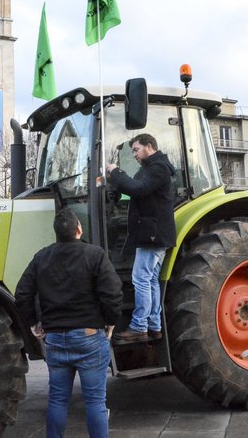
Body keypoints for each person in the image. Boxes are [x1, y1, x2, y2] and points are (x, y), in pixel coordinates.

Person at [15, 208, 123, 438]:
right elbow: (112, 293)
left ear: (56, 233)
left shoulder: (42, 257)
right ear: (79, 229)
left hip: (55, 338)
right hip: (89, 337)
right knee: (95, 400)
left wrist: (34, 323)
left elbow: (22, 293)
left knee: (57, 399)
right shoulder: (95, 255)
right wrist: (111, 322)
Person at [105, 133, 175, 344]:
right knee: (151, 279)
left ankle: (139, 326)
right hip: (153, 233)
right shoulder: (150, 169)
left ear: (149, 146)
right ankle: (154, 326)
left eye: (136, 149)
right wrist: (116, 185)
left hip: (152, 235)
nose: (134, 154)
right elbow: (134, 187)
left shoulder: (158, 168)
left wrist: (115, 171)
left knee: (141, 279)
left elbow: (138, 188)